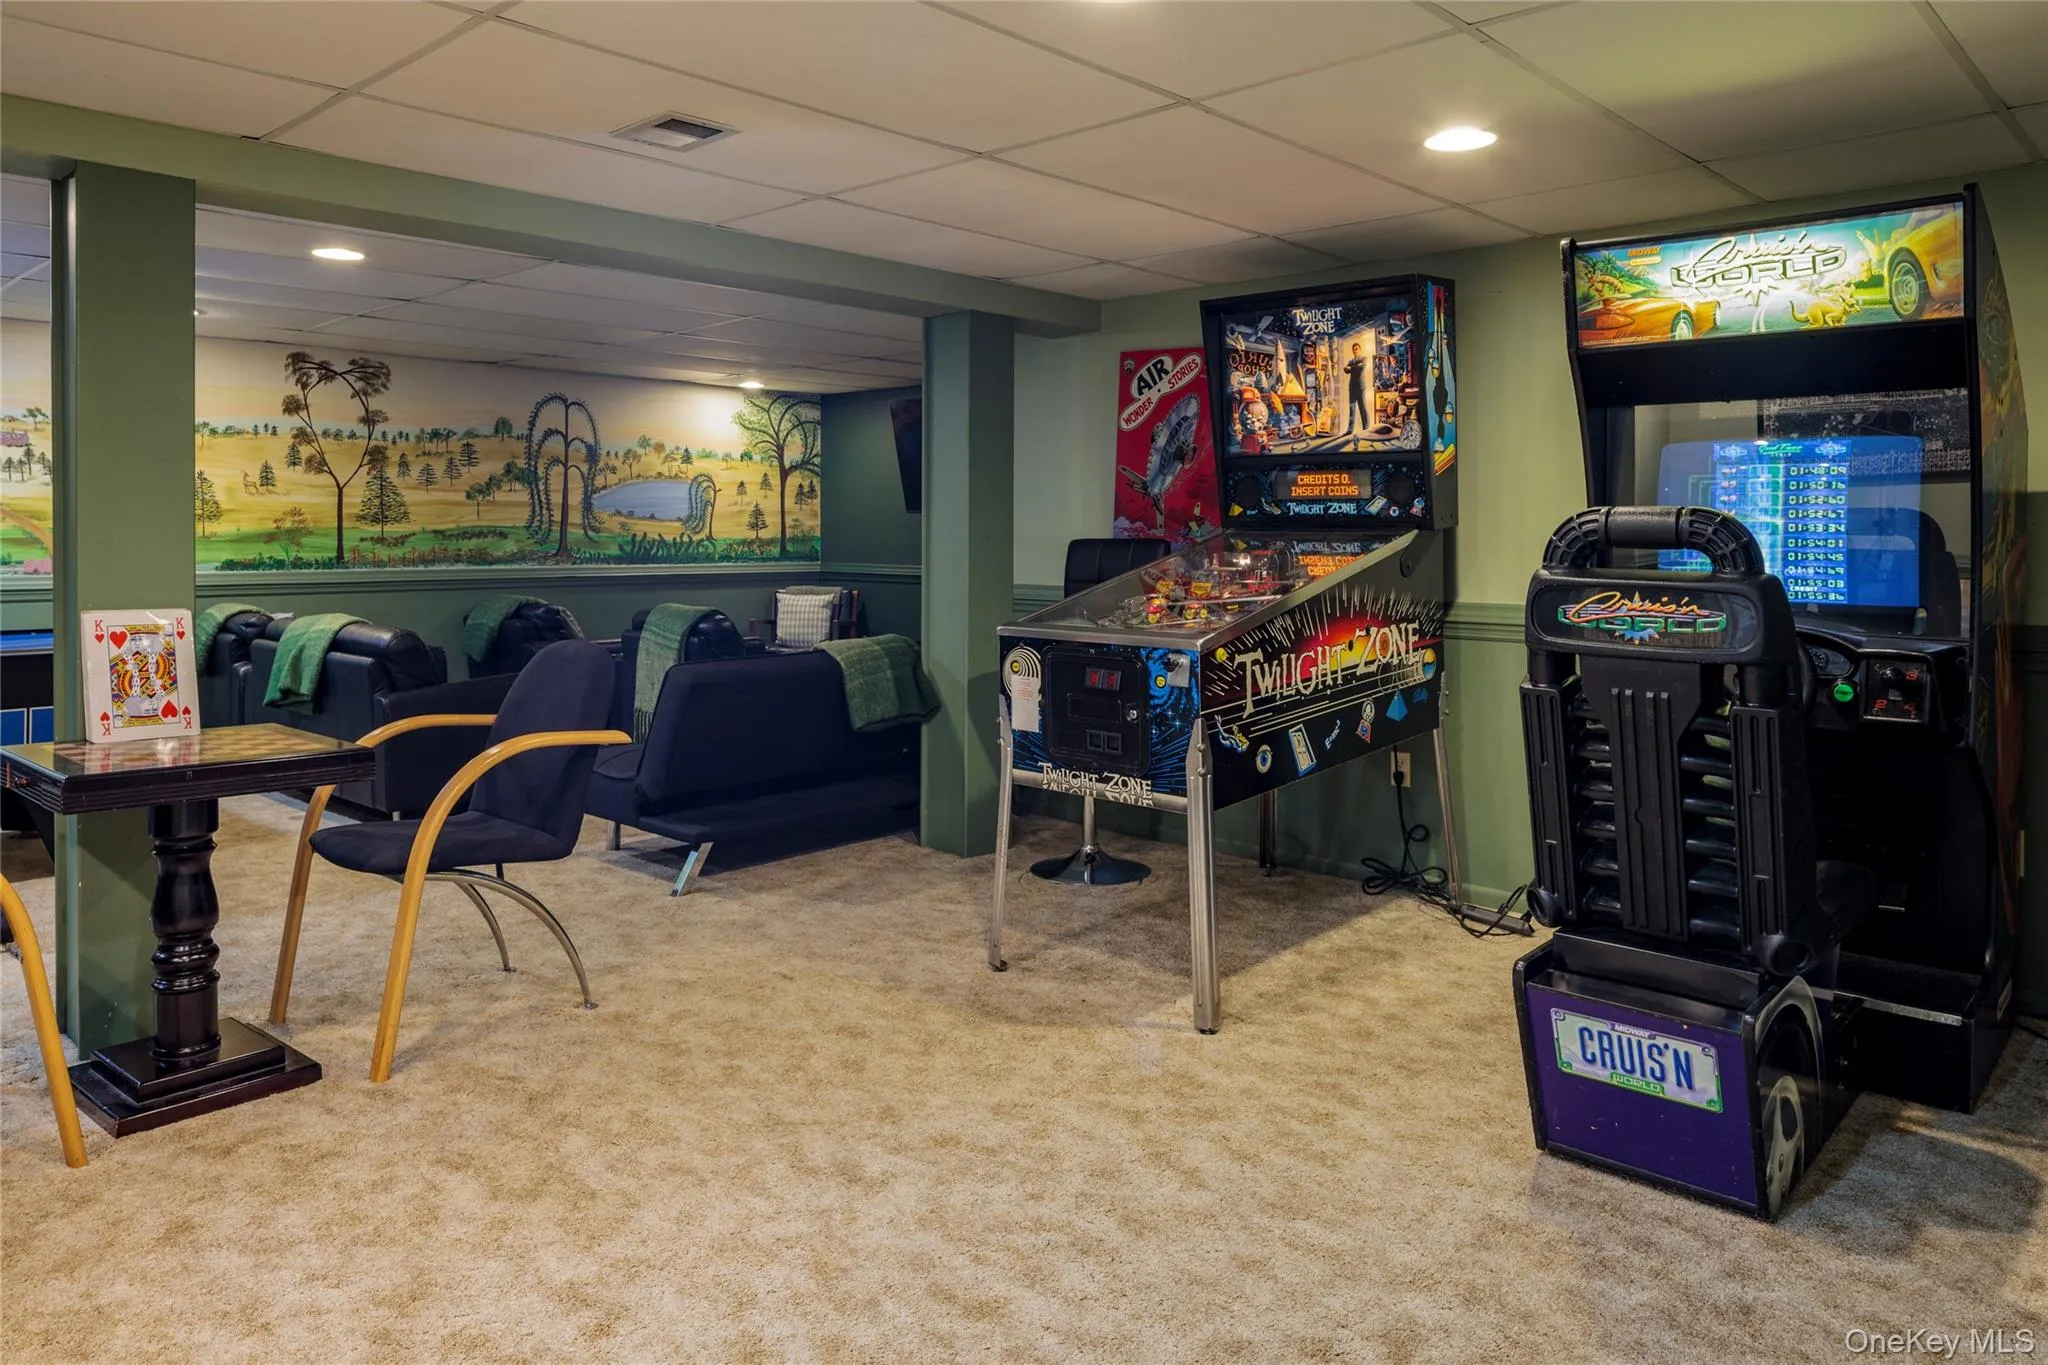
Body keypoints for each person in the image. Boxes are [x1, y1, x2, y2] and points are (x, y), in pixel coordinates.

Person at [1344, 341, 1370, 435]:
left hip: (1360, 387)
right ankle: (1350, 430)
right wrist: (1351, 368)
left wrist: (1351, 368)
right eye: (1353, 349)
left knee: (1363, 408)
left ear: (1360, 349)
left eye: (1356, 349)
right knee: (1352, 409)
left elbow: (1361, 368)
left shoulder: (1364, 358)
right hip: (1352, 388)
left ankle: (1366, 429)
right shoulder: (1351, 361)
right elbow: (1345, 370)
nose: (1355, 351)